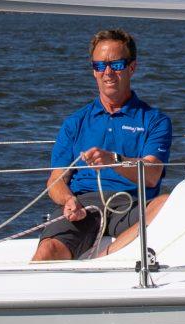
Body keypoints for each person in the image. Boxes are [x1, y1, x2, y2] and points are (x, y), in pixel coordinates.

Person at [32, 28, 175, 262]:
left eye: (116, 65)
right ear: (94, 71)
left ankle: (105, 258)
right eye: (100, 66)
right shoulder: (75, 122)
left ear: (132, 67)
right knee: (47, 252)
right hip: (84, 205)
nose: (107, 73)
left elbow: (151, 176)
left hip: (132, 205)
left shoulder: (154, 120)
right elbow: (56, 181)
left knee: (167, 203)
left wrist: (114, 161)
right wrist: (68, 200)